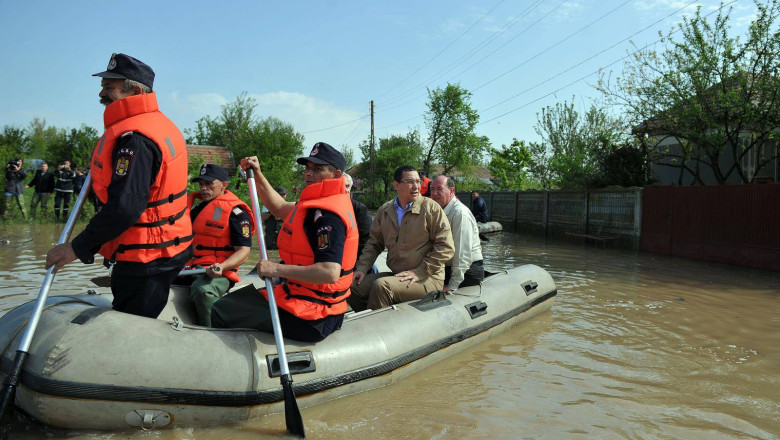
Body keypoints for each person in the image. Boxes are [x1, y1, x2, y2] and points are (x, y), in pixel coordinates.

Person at [45, 52, 193, 319]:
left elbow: (125, 208)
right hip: (165, 246)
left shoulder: (135, 139)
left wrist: (76, 248)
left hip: (148, 255)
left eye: (109, 87)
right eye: (102, 85)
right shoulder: (157, 123)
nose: (101, 93)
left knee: (134, 326)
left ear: (135, 90)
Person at [211, 142, 358, 342]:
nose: (308, 173)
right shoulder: (316, 205)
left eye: (317, 169)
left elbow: (329, 272)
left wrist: (275, 269)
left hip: (314, 315)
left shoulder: (327, 216)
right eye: (307, 168)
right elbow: (278, 207)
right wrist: (258, 174)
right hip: (306, 299)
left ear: (337, 174)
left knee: (222, 309)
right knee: (242, 301)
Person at [349, 165, 454, 311]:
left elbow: (446, 247)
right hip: (397, 274)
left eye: (418, 181)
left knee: (382, 287)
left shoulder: (431, 209)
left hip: (428, 277)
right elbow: (374, 244)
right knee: (352, 286)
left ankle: (382, 328)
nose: (416, 186)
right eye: (410, 182)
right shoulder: (385, 211)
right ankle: (372, 319)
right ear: (396, 185)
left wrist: (419, 272)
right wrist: (361, 268)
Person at [187, 164, 253, 326]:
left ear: (224, 185)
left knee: (203, 291)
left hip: (219, 271)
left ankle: (211, 331)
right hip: (191, 267)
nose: (204, 188)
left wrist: (221, 267)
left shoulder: (237, 213)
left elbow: (244, 251)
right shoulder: (196, 209)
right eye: (201, 184)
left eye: (209, 184)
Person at [429, 175, 485, 291]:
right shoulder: (439, 211)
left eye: (439, 189)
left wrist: (452, 285)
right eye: (432, 189)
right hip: (447, 268)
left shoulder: (460, 213)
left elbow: (462, 253)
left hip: (468, 272)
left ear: (451, 191)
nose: (434, 194)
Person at [344, 173, 372, 261]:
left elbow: (367, 239)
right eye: (341, 186)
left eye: (347, 186)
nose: (345, 190)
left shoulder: (360, 209)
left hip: (356, 257)